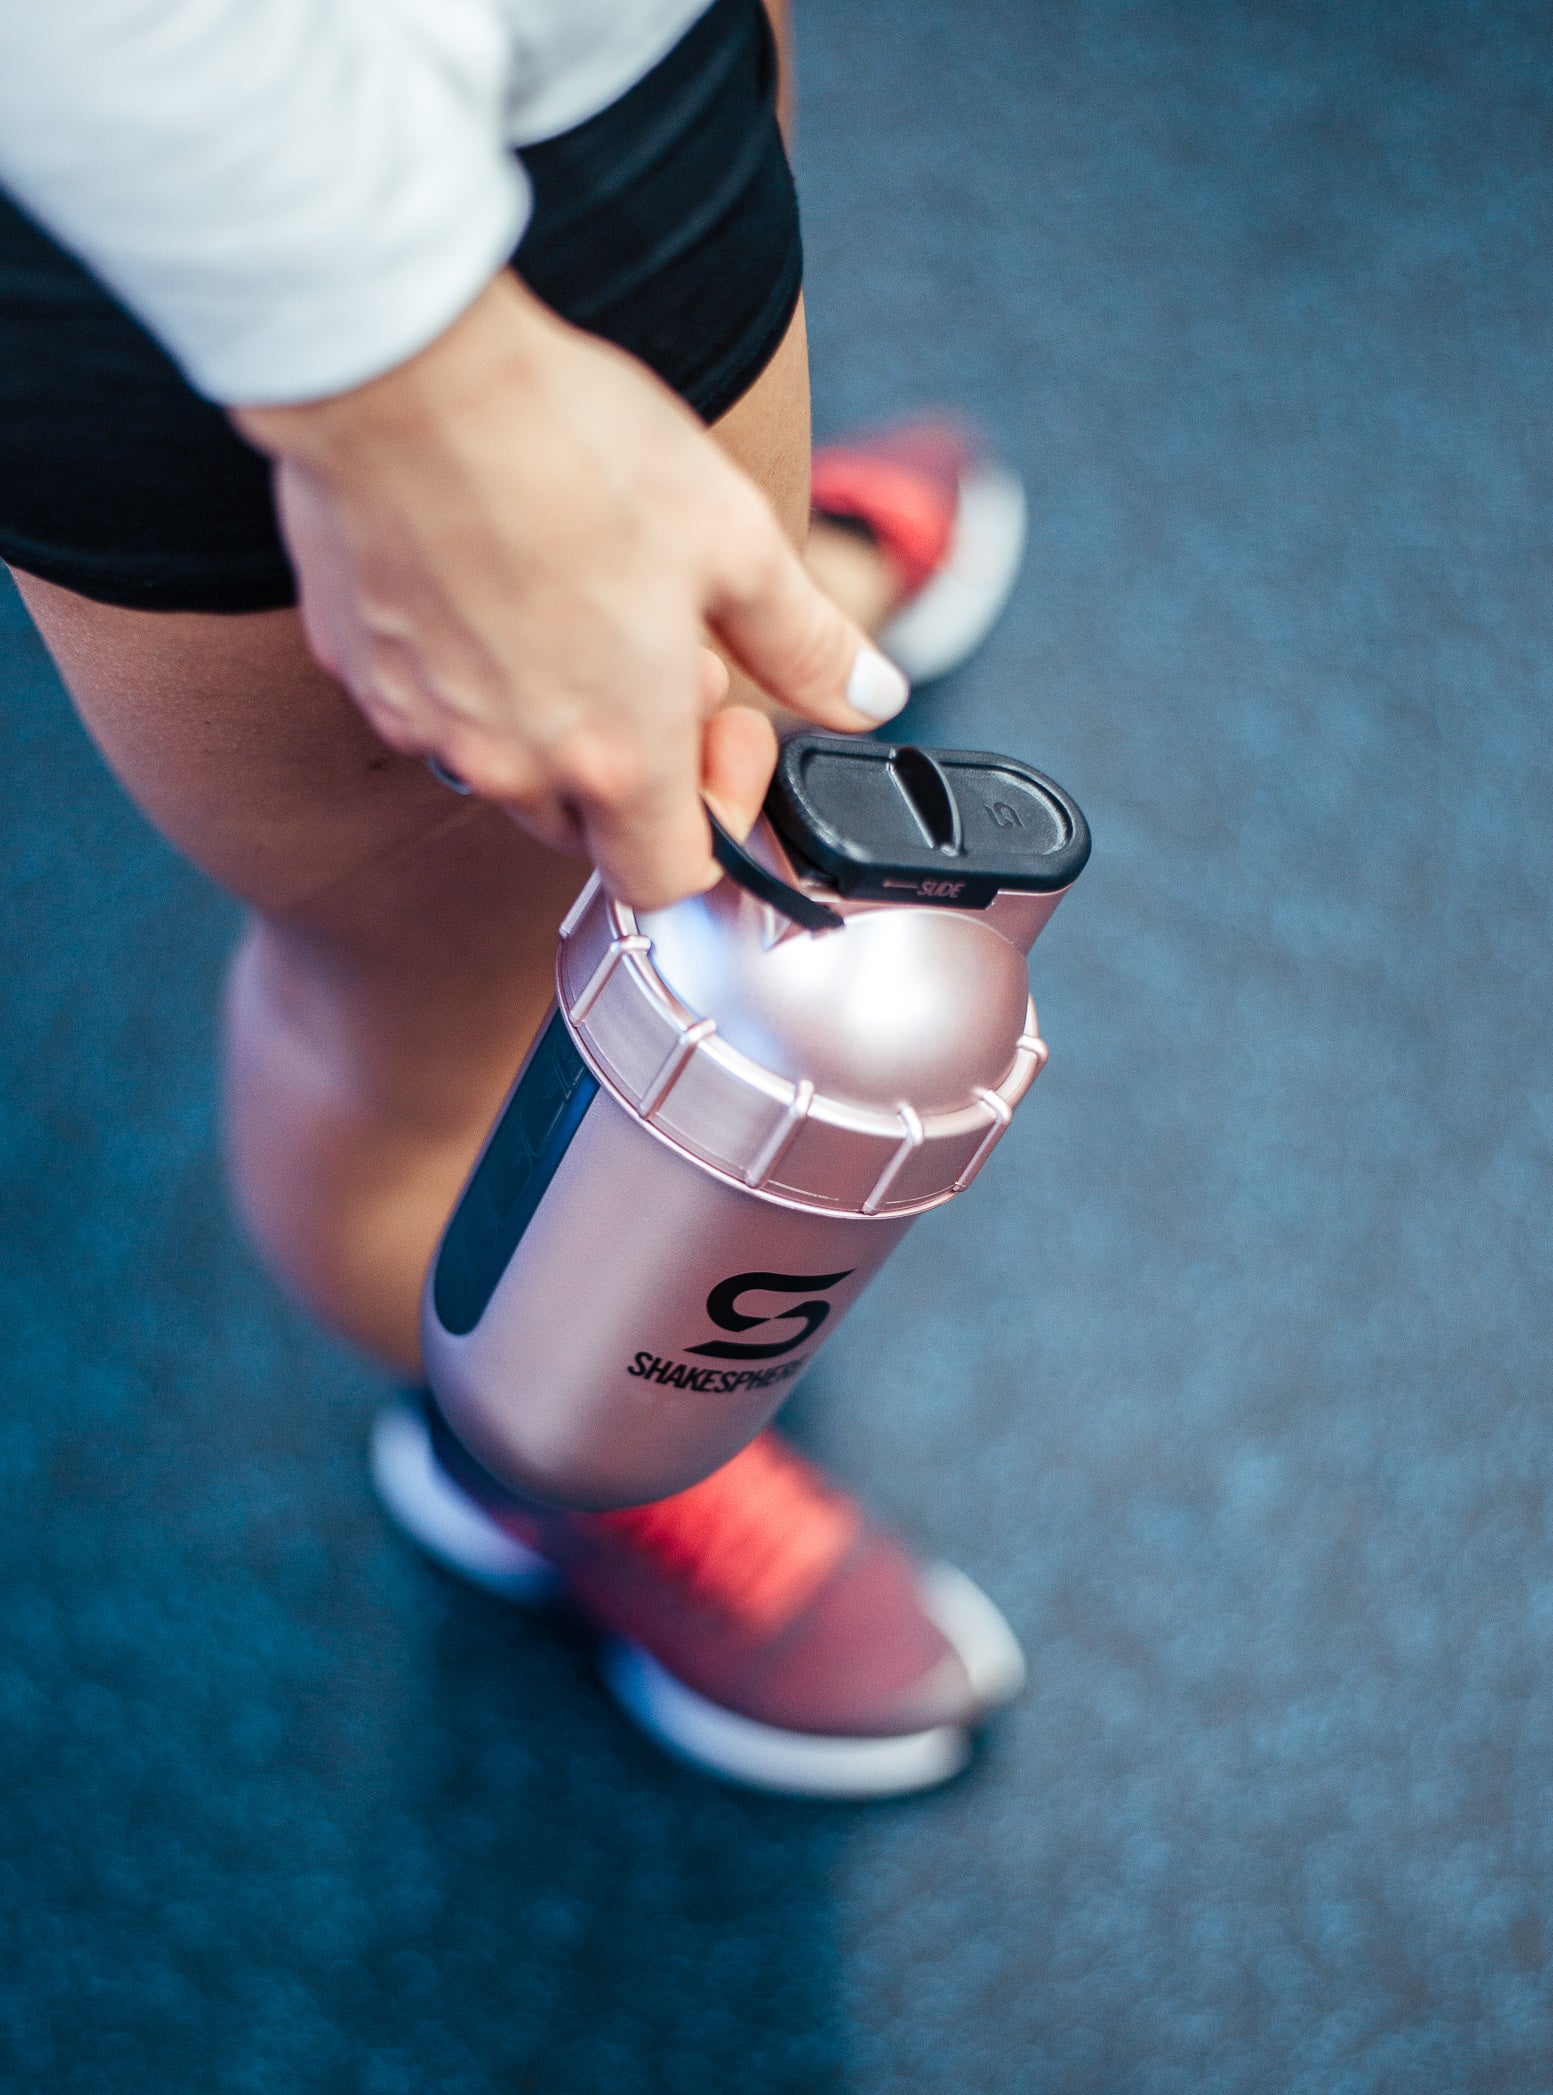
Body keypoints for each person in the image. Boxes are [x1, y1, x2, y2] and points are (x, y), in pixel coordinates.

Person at [0, 0, 1029, 1796]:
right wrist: (406, 400)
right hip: (232, 165)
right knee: (469, 994)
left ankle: (739, 574)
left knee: (702, 594)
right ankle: (553, 1454)